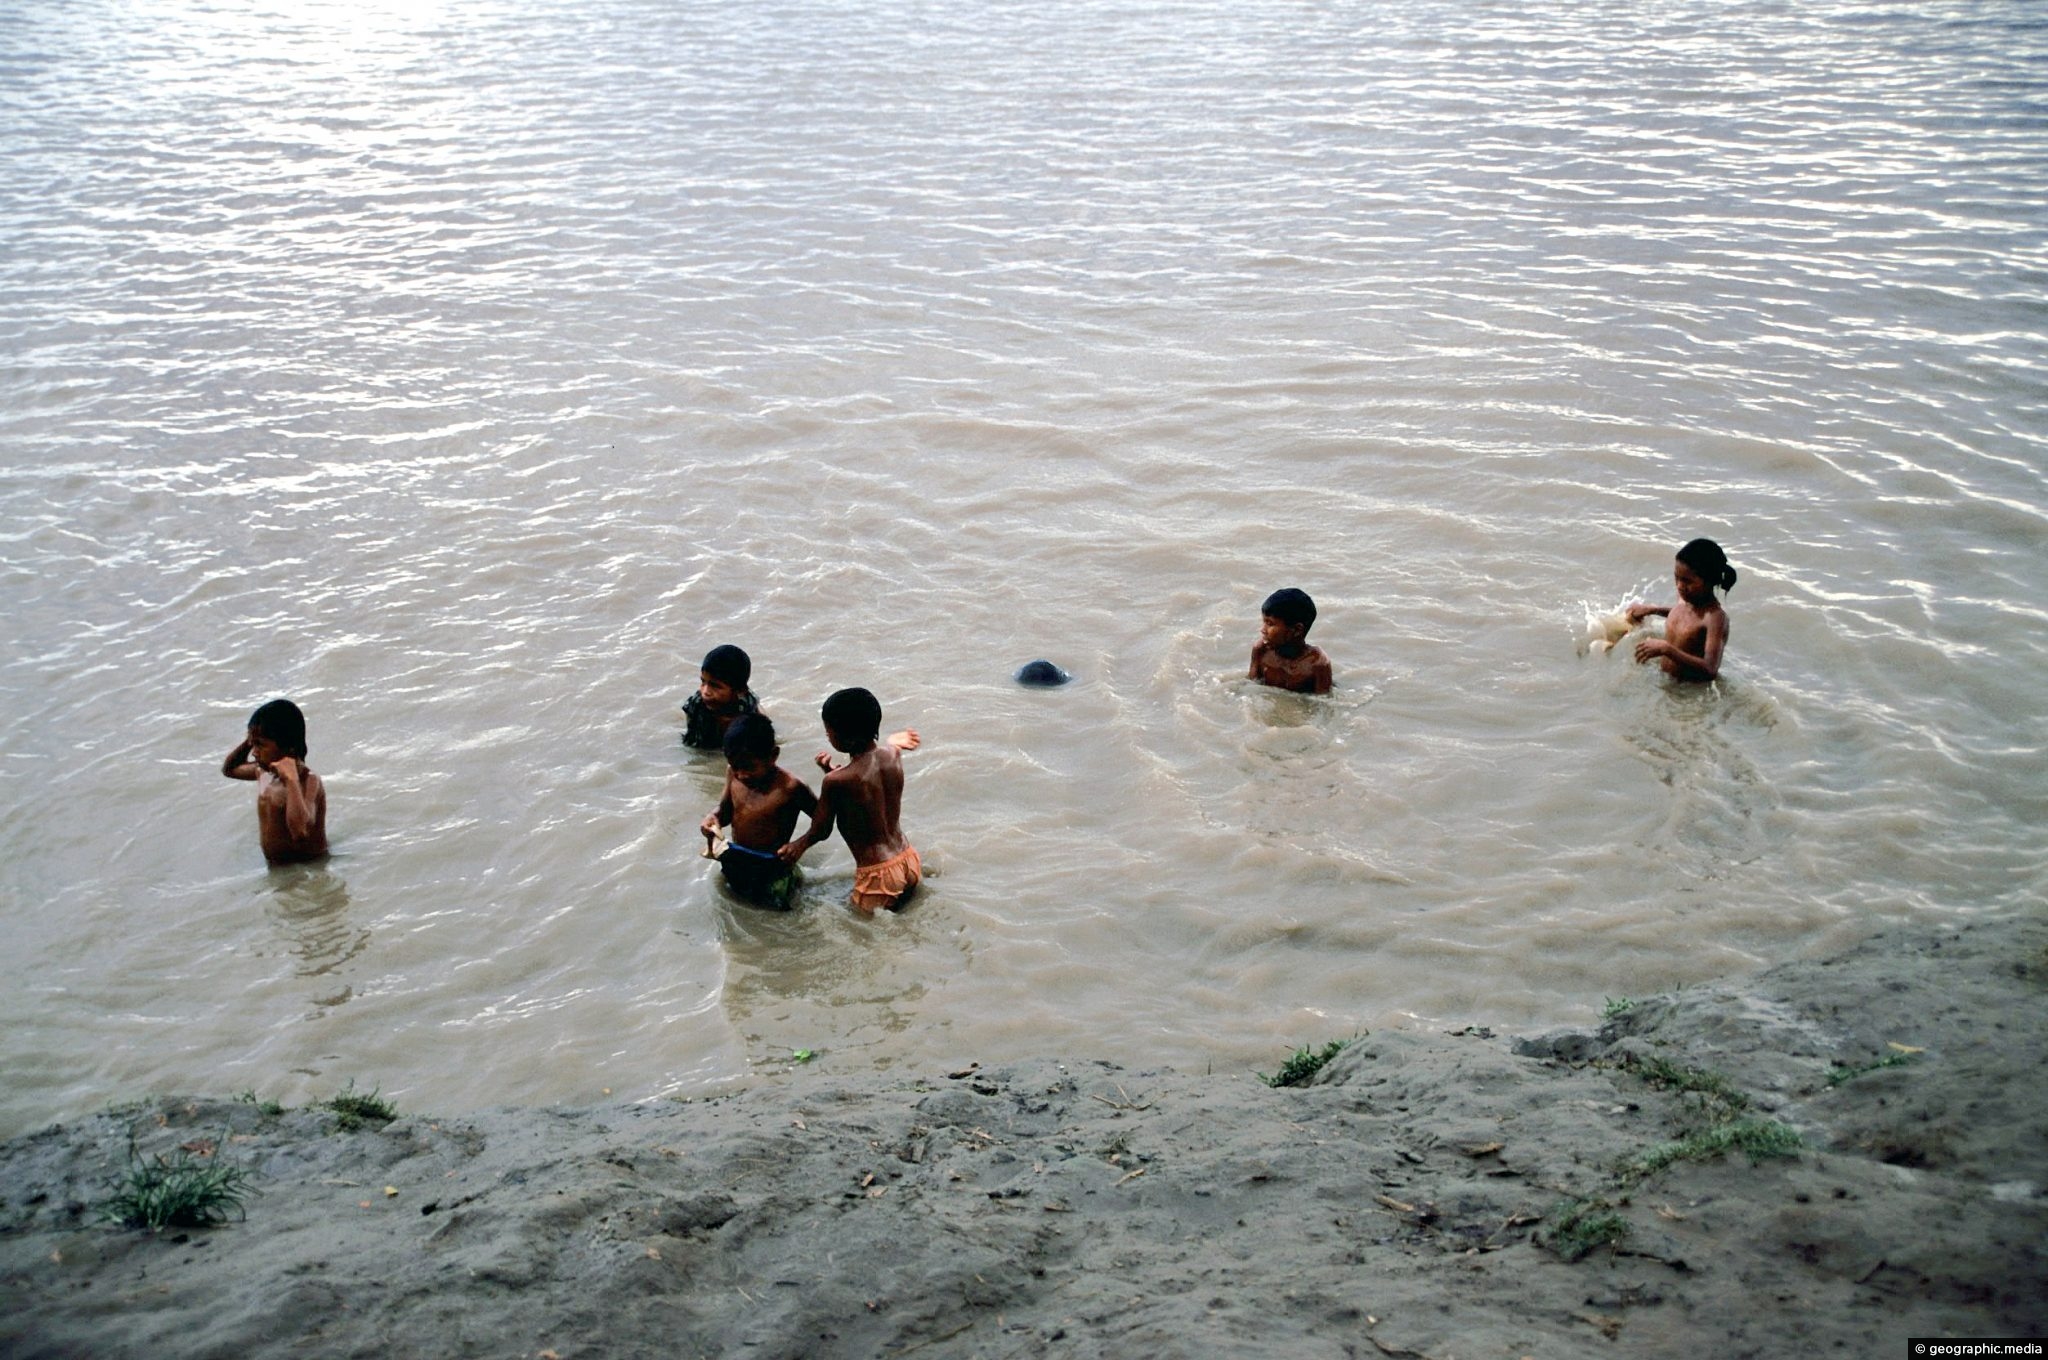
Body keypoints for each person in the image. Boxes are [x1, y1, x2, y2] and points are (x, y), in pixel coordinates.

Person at [777, 688, 923, 915]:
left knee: (867, 939)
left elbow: (822, 829)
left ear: (841, 736)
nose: (827, 736)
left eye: (828, 732)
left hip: (878, 874)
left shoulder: (836, 781)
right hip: (908, 859)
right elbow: (869, 785)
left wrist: (799, 846)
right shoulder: (892, 756)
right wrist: (832, 771)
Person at [699, 715, 816, 910]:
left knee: (778, 916)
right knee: (735, 908)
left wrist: (800, 844)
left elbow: (824, 821)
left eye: (749, 768)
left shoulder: (790, 787)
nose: (741, 774)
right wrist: (713, 819)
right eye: (736, 767)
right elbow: (725, 811)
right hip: (739, 860)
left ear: (773, 755)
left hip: (774, 869)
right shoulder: (733, 773)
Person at [221, 699, 328, 864]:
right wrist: (250, 739)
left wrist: (291, 779)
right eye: (253, 744)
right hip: (277, 869)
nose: (254, 753)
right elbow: (230, 769)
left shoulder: (309, 781)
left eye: (261, 745)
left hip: (308, 869)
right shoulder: (264, 773)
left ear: (288, 746)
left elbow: (300, 831)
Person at [1628, 538, 1737, 682]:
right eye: (1676, 577)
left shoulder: (1715, 618)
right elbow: (1684, 616)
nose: (1679, 586)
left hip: (1688, 694)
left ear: (1709, 580)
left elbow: (1710, 668)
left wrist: (1666, 649)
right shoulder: (1685, 598)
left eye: (1687, 581)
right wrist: (1651, 610)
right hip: (1666, 680)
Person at [1248, 587, 1332, 694]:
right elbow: (1252, 688)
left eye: (1270, 623)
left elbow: (1323, 702)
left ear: (1297, 630)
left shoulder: (1317, 663)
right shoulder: (1260, 650)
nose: (1262, 629)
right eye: (1264, 621)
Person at [681, 644, 760, 749]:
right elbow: (691, 739)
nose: (705, 692)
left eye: (715, 686)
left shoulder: (746, 707)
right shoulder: (696, 703)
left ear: (739, 690)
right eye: (703, 682)